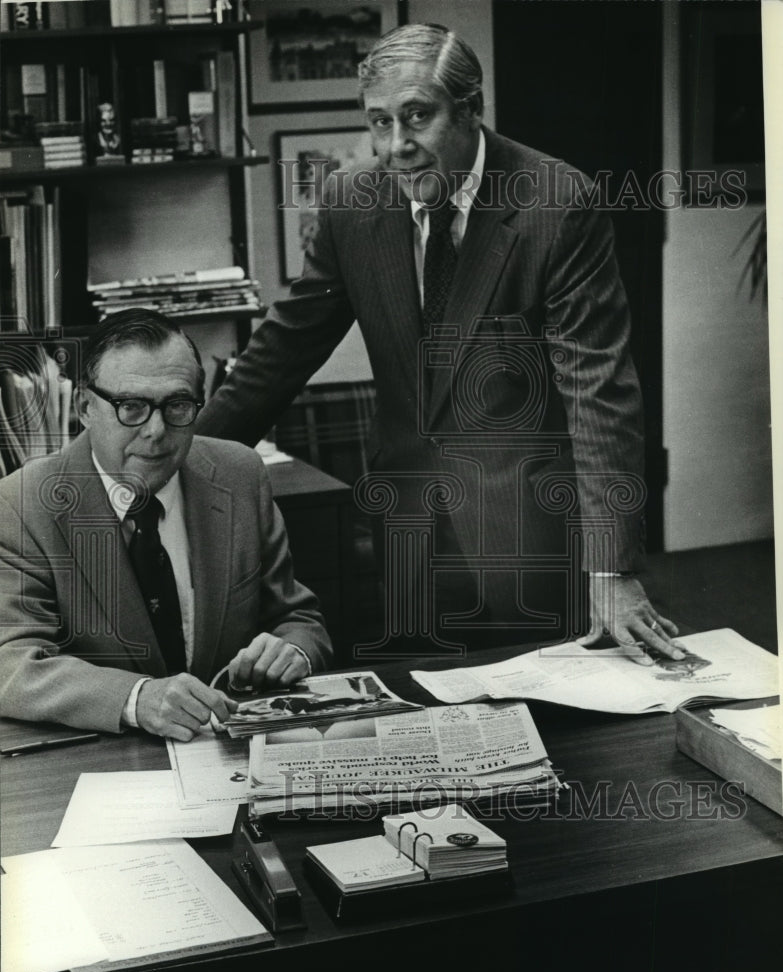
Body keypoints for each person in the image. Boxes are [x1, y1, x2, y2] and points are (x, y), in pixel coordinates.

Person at [197, 23, 683, 664]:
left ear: (471, 108)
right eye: (378, 123)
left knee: (563, 733)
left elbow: (598, 392)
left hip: (535, 538)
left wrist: (610, 569)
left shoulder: (557, 205)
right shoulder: (351, 203)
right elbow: (283, 350)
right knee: (430, 721)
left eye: (416, 117)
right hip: (408, 529)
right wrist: (179, 458)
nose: (396, 146)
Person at [0, 309, 332, 741]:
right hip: (104, 771)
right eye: (130, 407)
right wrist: (138, 699)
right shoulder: (23, 502)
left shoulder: (240, 473)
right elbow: (12, 663)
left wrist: (293, 650)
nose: (156, 431)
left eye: (177, 405)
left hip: (232, 754)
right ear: (85, 407)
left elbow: (299, 617)